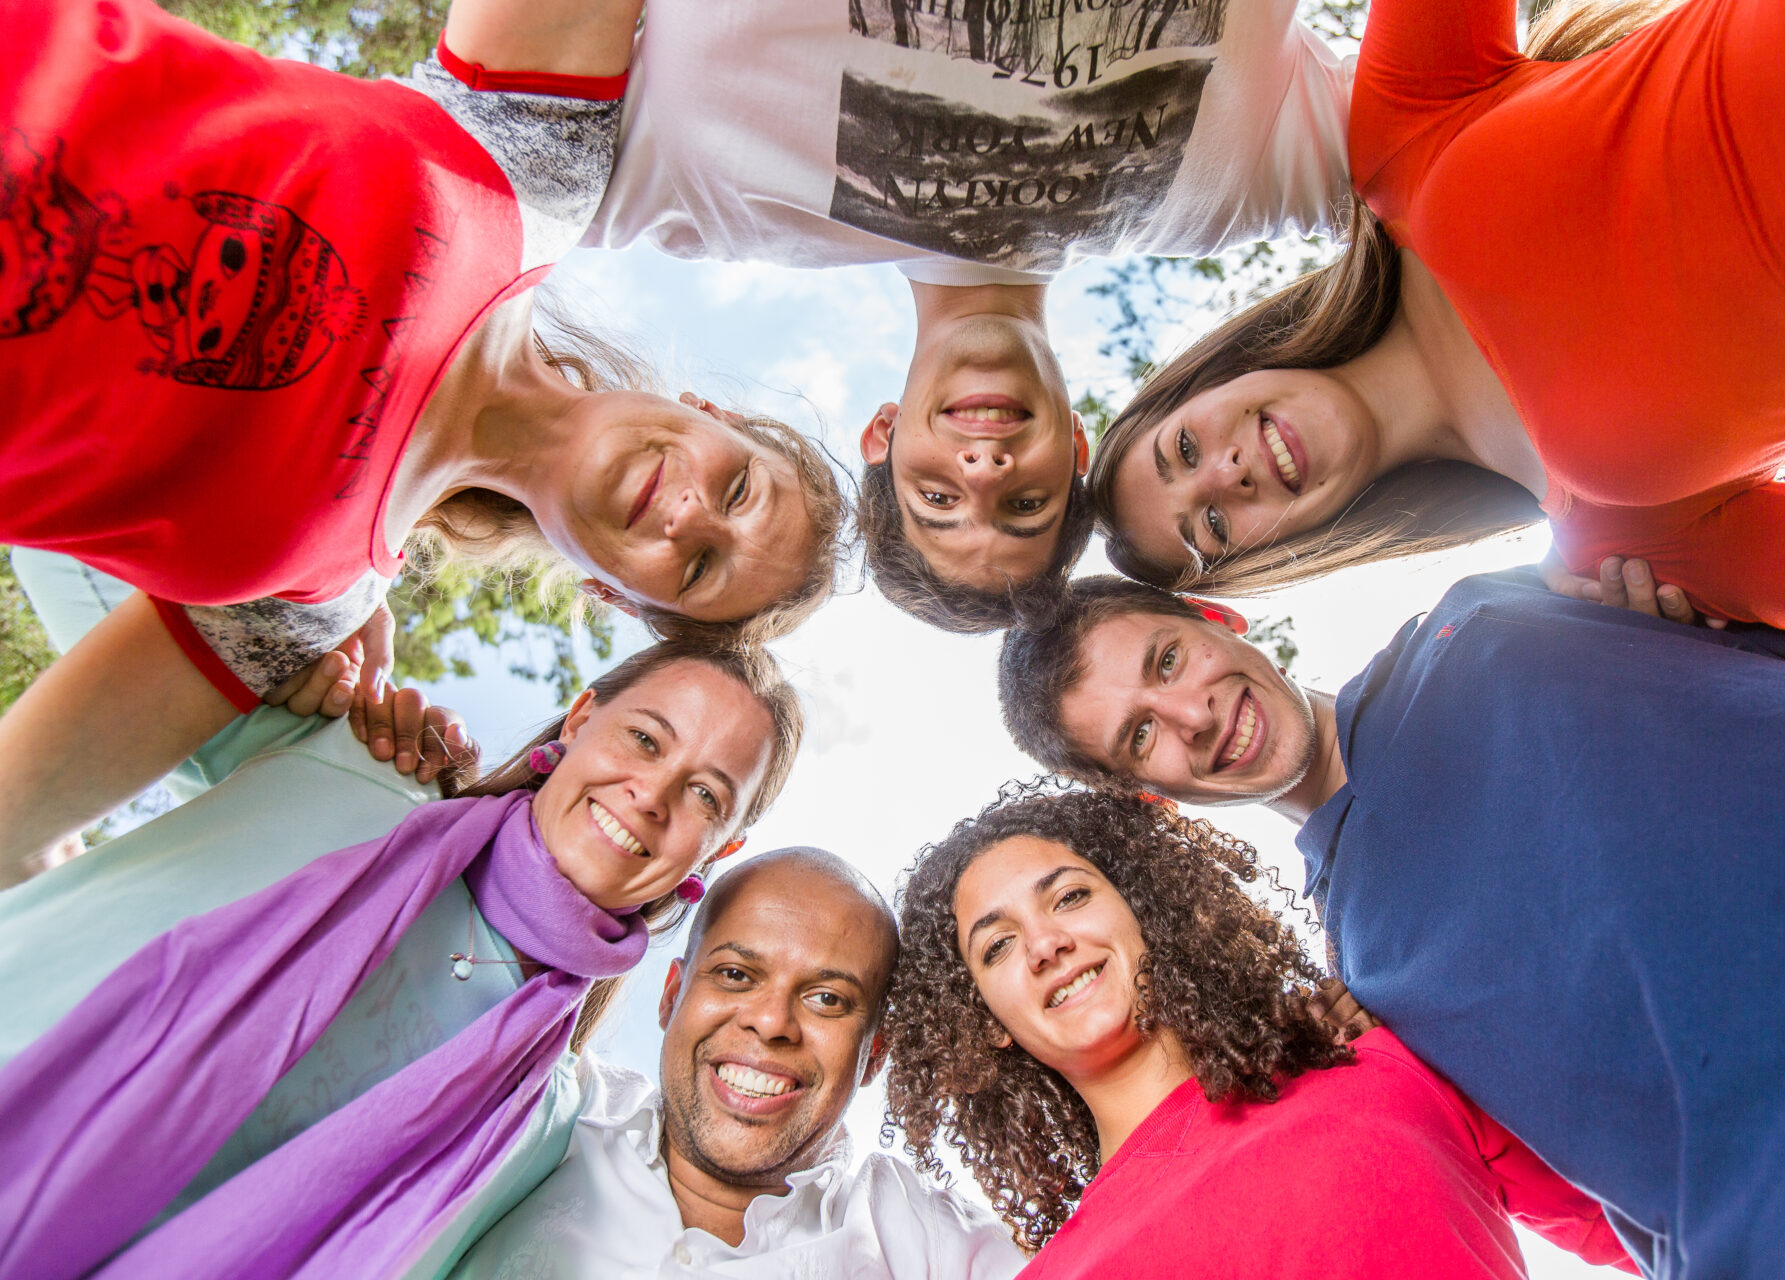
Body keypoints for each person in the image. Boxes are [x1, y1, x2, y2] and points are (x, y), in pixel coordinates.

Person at [0, 0, 846, 865]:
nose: (692, 518)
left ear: (616, 596)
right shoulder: (536, 163)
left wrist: (366, 785)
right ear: (712, 413)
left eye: (699, 568)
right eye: (740, 488)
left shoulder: (301, 615)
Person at [997, 571, 1785, 1278]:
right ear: (1147, 793)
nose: (1192, 714)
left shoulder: (1487, 619)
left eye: (1167, 660)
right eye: (1140, 735)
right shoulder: (1362, 981)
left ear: (1217, 618)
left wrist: (1683, 608)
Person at [1091, 0, 1785, 659]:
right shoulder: (1624, 548)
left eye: (1184, 452)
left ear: (1207, 381)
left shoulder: (1394, 140)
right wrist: (1713, 664)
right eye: (1212, 529)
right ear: (1285, 551)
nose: (1224, 475)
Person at [0, 637, 803, 1280]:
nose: (653, 793)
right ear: (579, 718)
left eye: (705, 794)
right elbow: (89, 565)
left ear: (719, 847)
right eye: (643, 736)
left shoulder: (543, 1129)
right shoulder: (355, 769)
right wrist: (319, 623)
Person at [581, 0, 1355, 629]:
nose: (984, 469)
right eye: (1026, 504)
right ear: (1077, 445)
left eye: (939, 499)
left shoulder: (689, 192)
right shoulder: (1259, 181)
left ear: (883, 432)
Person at [885, 786, 1630, 1276]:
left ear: (1145, 911)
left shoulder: (1379, 1060)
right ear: (983, 1025)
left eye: (1070, 897)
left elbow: (1652, 1219)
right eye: (999, 945)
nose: (1046, 943)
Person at [451, 846, 1027, 1279]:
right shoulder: (538, 1116)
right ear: (671, 996)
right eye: (735, 975)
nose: (772, 1021)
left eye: (827, 998)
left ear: (873, 1055)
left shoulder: (926, 1243)